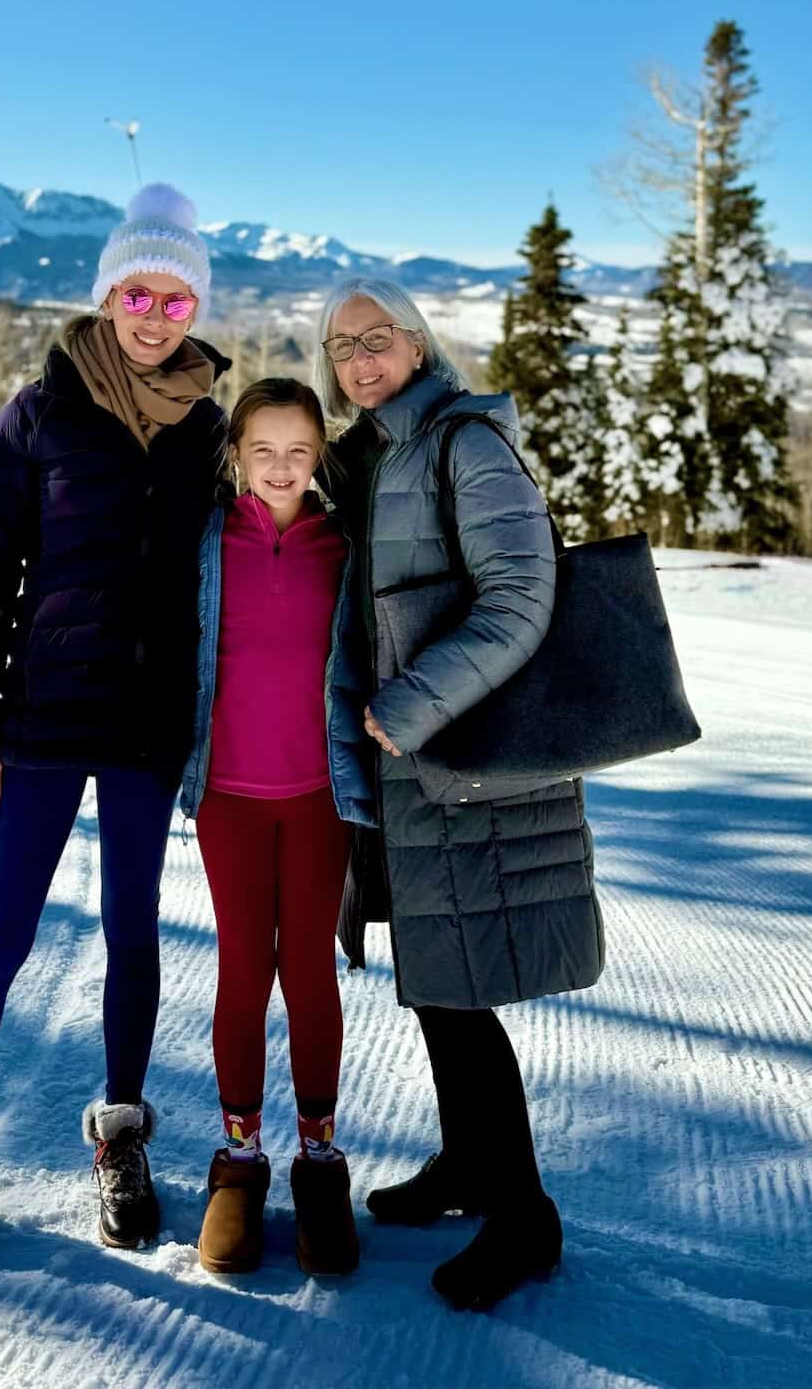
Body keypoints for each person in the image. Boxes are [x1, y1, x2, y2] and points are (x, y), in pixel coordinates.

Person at [0, 184, 229, 1269]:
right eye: (137, 291)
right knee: (3, 936)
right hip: (40, 719)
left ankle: (123, 1132)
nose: (153, 315)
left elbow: (229, 569)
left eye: (176, 300)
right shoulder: (39, 410)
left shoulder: (209, 430)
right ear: (105, 296)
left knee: (133, 932)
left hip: (144, 727)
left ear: (195, 313)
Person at [315, 277, 605, 1313]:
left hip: (462, 753)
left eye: (377, 337)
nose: (359, 357)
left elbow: (524, 594)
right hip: (409, 765)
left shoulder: (461, 444)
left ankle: (524, 1213)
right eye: (341, 344)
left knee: (467, 983)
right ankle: (469, 1165)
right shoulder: (369, 456)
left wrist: (415, 700)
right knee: (437, 973)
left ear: (418, 341)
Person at [179, 378, 374, 1277]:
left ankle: (321, 1161)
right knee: (243, 968)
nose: (282, 466)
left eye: (300, 450)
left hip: (318, 793)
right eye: (264, 449)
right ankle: (239, 1160)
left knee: (309, 972)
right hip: (229, 792)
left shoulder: (345, 543)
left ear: (321, 452)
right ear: (236, 453)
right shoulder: (209, 541)